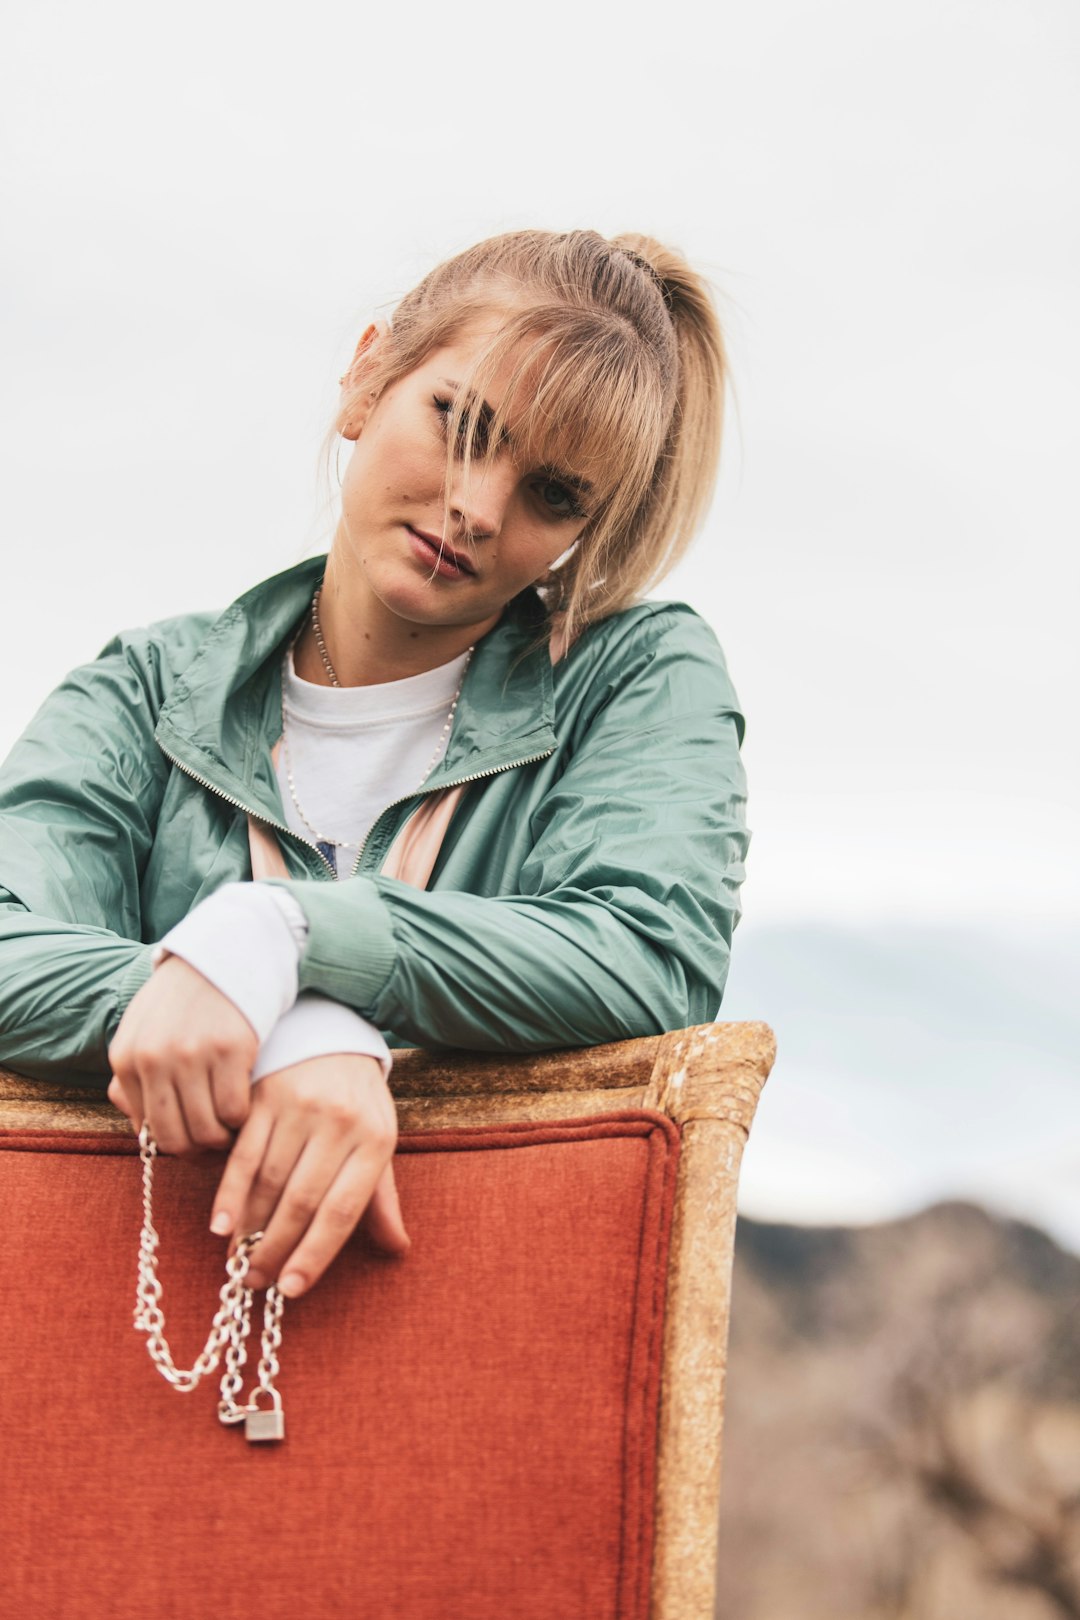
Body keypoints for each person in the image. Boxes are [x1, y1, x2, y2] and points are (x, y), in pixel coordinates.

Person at [0, 228, 748, 1304]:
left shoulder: (633, 676)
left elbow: (647, 955)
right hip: (122, 1330)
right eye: (464, 424)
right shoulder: (150, 688)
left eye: (555, 497)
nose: (480, 509)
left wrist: (288, 934)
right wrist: (289, 1019)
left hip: (472, 1330)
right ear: (368, 377)